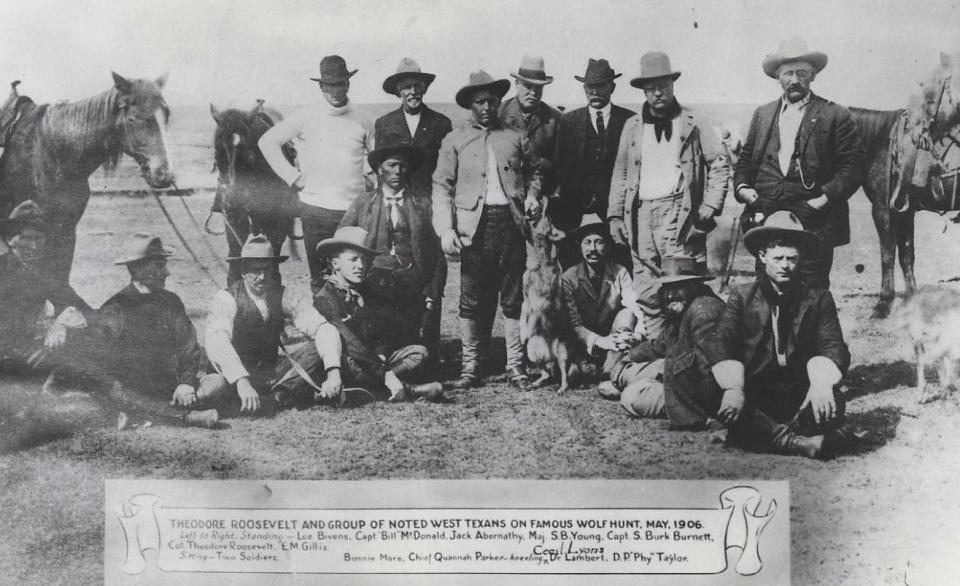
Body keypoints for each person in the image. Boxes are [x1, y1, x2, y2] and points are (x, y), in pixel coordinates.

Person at [706, 211, 857, 459]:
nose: (785, 266)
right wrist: (734, 387)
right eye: (778, 258)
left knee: (834, 403)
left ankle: (758, 434)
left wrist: (821, 383)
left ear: (801, 259)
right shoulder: (742, 295)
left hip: (798, 390)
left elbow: (834, 346)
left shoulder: (818, 298)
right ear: (763, 257)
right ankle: (797, 442)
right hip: (756, 390)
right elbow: (721, 341)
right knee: (718, 395)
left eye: (792, 259)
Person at [607, 52, 730, 341]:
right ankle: (658, 358)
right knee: (649, 291)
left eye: (662, 85)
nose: (657, 92)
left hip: (680, 216)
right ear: (644, 91)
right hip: (640, 219)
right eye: (651, 88)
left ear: (673, 85)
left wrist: (710, 206)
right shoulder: (632, 127)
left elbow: (720, 164)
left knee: (684, 288)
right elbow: (621, 174)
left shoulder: (694, 121)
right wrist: (614, 216)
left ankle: (690, 354)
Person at [433, 70, 542, 391]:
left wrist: (533, 194)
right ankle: (471, 368)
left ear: (498, 103)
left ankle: (515, 367)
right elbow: (441, 186)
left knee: (512, 298)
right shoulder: (455, 140)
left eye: (492, 101)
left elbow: (535, 171)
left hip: (511, 225)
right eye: (480, 102)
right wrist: (445, 229)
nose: (486, 107)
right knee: (471, 299)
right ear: (470, 104)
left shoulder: (515, 136)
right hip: (472, 229)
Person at [734, 38, 865, 289]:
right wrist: (747, 194)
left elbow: (854, 166)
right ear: (777, 77)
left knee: (812, 293)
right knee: (766, 290)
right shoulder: (762, 115)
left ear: (813, 75)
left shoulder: (835, 115)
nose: (795, 80)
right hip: (767, 217)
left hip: (813, 220)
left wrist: (820, 201)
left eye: (801, 73)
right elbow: (744, 163)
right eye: (788, 73)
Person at [76, 233, 219, 428]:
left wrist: (185, 383)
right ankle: (185, 416)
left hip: (171, 387)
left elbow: (189, 346)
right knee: (118, 392)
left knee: (218, 382)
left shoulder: (171, 301)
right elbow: (98, 360)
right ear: (138, 268)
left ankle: (150, 412)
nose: (166, 272)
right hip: (133, 391)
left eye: (164, 264)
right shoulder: (116, 308)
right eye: (159, 265)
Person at [259, 54, 375, 293]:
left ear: (348, 84)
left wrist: (367, 175)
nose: (335, 90)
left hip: (353, 213)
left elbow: (376, 161)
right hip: (316, 211)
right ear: (321, 87)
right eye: (329, 85)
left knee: (356, 278)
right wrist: (293, 176)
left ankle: (353, 330)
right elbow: (267, 142)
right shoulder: (305, 116)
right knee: (321, 281)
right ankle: (327, 330)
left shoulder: (363, 120)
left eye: (340, 84)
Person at [203, 235, 345, 413]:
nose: (262, 277)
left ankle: (277, 396)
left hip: (269, 374)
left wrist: (333, 373)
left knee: (317, 346)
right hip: (233, 376)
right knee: (214, 387)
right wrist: (242, 381)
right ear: (243, 271)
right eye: (256, 270)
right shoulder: (226, 299)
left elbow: (320, 326)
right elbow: (218, 342)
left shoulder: (282, 295)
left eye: (267, 269)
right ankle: (280, 397)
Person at [339, 145, 446, 362]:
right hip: (371, 283)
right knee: (374, 340)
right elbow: (342, 243)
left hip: (411, 283)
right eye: (391, 165)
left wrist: (432, 291)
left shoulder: (422, 204)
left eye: (403, 166)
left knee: (411, 345)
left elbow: (436, 253)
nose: (398, 171)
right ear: (379, 170)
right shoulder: (362, 203)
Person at [313, 227, 444, 402]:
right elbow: (349, 342)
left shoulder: (364, 289)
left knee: (419, 353)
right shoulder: (325, 297)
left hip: (374, 361)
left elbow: (377, 331)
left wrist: (381, 352)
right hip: (350, 360)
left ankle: (369, 389)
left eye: (363, 260)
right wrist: (384, 372)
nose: (360, 266)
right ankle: (408, 389)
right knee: (351, 365)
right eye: (353, 260)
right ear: (336, 264)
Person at [608, 256, 725, 428]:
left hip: (697, 396)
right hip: (680, 376)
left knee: (632, 397)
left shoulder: (704, 311)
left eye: (678, 288)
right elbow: (659, 344)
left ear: (694, 286)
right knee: (626, 372)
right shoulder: (684, 309)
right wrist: (625, 359)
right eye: (667, 288)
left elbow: (713, 373)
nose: (670, 295)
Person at [553, 58, 636, 269]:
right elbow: (558, 169)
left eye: (601, 86)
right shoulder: (568, 121)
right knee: (573, 268)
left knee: (619, 266)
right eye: (590, 87)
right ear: (584, 88)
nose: (595, 92)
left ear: (612, 87)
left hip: (614, 214)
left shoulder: (630, 121)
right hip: (573, 215)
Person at [0, 200, 91, 375]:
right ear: (10, 239)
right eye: (27, 238)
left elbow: (81, 307)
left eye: (39, 238)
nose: (34, 247)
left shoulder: (43, 274)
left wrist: (63, 322)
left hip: (26, 357)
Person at [560, 220, 640, 382]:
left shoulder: (619, 272)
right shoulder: (569, 277)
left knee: (627, 313)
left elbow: (634, 305)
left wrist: (636, 336)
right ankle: (605, 366)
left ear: (608, 246)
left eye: (599, 242)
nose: (593, 249)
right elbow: (572, 323)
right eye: (587, 243)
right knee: (581, 372)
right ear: (579, 247)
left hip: (614, 337)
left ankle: (615, 360)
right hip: (585, 341)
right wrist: (599, 341)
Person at [374, 57, 453, 197]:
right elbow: (380, 168)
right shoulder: (384, 123)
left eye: (417, 86)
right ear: (398, 92)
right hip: (396, 199)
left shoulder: (441, 123)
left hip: (429, 200)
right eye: (406, 87)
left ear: (424, 89)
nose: (413, 91)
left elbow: (448, 169)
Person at [499, 55, 562, 197]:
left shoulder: (555, 119)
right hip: (505, 197)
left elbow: (560, 165)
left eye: (538, 88)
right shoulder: (499, 114)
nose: (533, 93)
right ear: (516, 83)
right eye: (528, 86)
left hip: (545, 198)